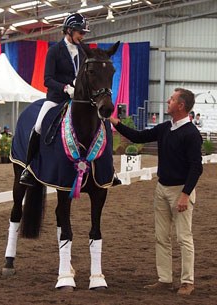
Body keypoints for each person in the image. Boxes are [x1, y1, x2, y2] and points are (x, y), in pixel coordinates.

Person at [110, 88, 203, 295]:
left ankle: (187, 281)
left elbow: (196, 167)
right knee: (161, 237)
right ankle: (165, 279)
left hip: (180, 190)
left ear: (181, 106)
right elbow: (138, 136)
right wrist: (115, 122)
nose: (167, 101)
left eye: (172, 99)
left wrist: (185, 194)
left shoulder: (191, 134)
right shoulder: (164, 128)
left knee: (183, 237)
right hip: (162, 188)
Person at [19, 13, 89, 186]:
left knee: (99, 123)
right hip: (57, 98)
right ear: (69, 31)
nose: (82, 36)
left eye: (84, 33)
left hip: (78, 101)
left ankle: (106, 169)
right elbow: (47, 79)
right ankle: (29, 168)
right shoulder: (55, 51)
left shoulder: (83, 52)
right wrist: (66, 88)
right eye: (80, 32)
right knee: (39, 125)